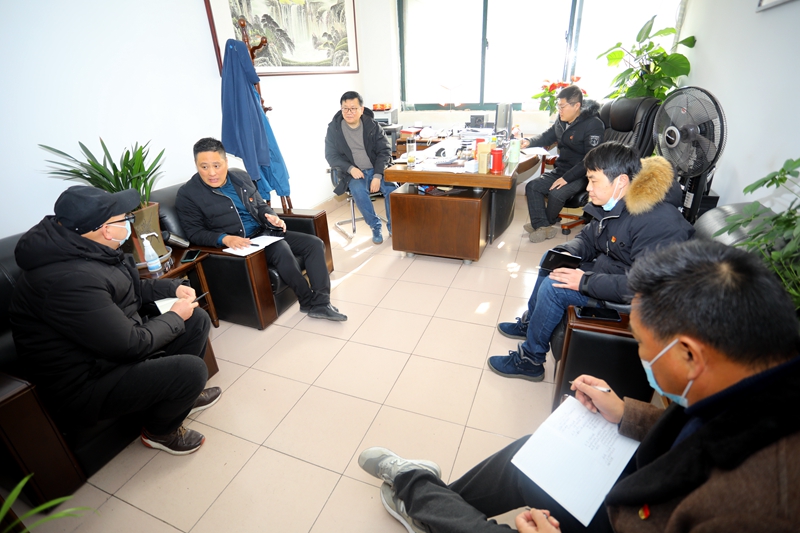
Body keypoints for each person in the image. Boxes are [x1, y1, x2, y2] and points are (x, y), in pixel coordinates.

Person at [357, 239, 800, 532]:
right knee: (532, 453)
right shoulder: (752, 381)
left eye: (642, 344)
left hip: (629, 517)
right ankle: (432, 505)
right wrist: (626, 413)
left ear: (689, 355)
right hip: (641, 491)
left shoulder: (761, 509)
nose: (641, 356)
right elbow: (696, 434)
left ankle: (415, 486)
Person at [10, 186, 220, 455]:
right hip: (86, 383)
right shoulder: (67, 280)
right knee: (192, 371)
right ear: (106, 230)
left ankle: (181, 398)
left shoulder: (88, 249)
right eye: (126, 218)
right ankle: (159, 432)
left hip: (107, 354)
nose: (130, 222)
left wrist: (173, 288)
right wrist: (174, 315)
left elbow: (128, 289)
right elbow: (130, 345)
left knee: (197, 319)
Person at [489, 142, 694, 382]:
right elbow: (589, 238)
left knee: (555, 288)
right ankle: (532, 322)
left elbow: (643, 287)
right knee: (552, 259)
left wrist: (584, 282)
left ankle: (530, 360)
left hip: (635, 298)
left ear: (621, 181)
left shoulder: (658, 222)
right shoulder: (617, 201)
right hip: (613, 270)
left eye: (594, 181)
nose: (588, 188)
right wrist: (566, 252)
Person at [176, 137, 346, 321]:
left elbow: (259, 205)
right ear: (196, 165)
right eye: (204, 167)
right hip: (240, 245)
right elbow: (194, 232)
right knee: (280, 248)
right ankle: (307, 300)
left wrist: (271, 216)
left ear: (225, 162)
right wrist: (224, 238)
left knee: (314, 244)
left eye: (217, 166)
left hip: (264, 233)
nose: (211, 173)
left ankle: (321, 303)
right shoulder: (188, 194)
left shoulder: (240, 178)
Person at [519, 85, 605, 243]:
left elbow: (591, 158)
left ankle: (544, 223)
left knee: (556, 193)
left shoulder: (593, 124)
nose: (560, 110)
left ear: (576, 106)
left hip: (581, 174)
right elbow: (547, 136)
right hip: (561, 169)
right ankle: (542, 226)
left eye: (562, 107)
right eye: (558, 106)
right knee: (532, 186)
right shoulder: (562, 121)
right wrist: (528, 142)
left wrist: (566, 178)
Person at [325, 90, 395, 245]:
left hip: (376, 169)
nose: (349, 112)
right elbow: (331, 155)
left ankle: (393, 227)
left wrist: (377, 175)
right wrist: (350, 168)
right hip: (353, 173)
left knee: (393, 190)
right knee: (358, 190)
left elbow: (385, 151)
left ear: (361, 109)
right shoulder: (334, 129)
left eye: (353, 108)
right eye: (345, 108)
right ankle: (375, 226)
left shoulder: (373, 126)